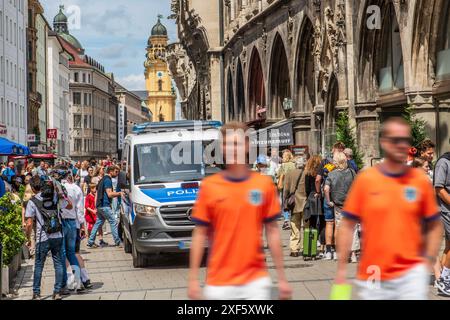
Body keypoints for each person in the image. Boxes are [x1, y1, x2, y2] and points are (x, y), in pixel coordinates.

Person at [335, 117, 443, 300]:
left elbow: (434, 225)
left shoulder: (419, 181)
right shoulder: (366, 180)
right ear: (383, 142)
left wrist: (427, 260)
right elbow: (347, 225)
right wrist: (341, 272)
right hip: (374, 271)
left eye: (405, 140)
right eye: (395, 140)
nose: (401, 145)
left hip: (411, 274)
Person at [188, 121, 292, 300]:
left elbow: (273, 232)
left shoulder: (263, 184)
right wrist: (193, 280)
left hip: (256, 281)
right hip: (219, 283)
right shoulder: (209, 187)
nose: (232, 149)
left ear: (246, 146)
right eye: (227, 144)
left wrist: (282, 278)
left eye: (236, 143)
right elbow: (199, 234)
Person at [25, 175, 73, 300]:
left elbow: (29, 223)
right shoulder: (54, 197)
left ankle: (36, 293)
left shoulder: (32, 201)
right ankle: (57, 292)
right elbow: (69, 206)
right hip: (57, 235)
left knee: (39, 264)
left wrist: (28, 238)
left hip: (43, 237)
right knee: (58, 263)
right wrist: (61, 194)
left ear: (32, 187)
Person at [324, 152, 357, 262]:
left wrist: (329, 201)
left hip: (338, 206)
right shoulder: (352, 172)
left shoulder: (331, 174)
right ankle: (353, 255)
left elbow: (326, 189)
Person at [316, 142, 345, 260]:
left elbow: (318, 179)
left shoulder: (325, 162)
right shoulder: (347, 163)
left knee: (329, 222)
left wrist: (318, 192)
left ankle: (328, 251)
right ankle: (337, 250)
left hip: (328, 197)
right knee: (339, 224)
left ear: (333, 149)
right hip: (343, 198)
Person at [87, 165, 123, 248]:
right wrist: (119, 193)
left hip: (99, 205)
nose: (117, 174)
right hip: (104, 205)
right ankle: (118, 241)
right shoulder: (107, 180)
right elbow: (109, 194)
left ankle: (90, 241)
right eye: (116, 171)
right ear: (111, 171)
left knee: (98, 223)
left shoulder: (102, 179)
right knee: (113, 222)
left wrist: (96, 206)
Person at [283, 157, 307, 257]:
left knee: (294, 227)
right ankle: (306, 248)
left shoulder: (289, 174)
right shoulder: (307, 173)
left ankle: (294, 249)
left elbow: (286, 190)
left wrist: (285, 202)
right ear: (304, 164)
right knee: (306, 227)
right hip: (305, 203)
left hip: (294, 204)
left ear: (295, 164)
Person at [434, 150, 450, 296]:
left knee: (449, 246)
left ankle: (443, 279)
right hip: (447, 210)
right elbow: (439, 188)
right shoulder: (443, 162)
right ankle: (444, 279)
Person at [304, 155, 325, 257]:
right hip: (320, 197)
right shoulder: (323, 172)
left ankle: (312, 244)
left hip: (311, 197)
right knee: (322, 222)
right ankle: (322, 246)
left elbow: (307, 189)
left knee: (312, 222)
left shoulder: (307, 173)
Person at [277, 150, 296, 230]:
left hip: (285, 186)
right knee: (292, 202)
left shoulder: (283, 165)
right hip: (294, 186)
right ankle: (293, 220)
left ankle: (286, 221)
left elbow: (279, 175)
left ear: (285, 157)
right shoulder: (294, 165)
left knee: (285, 203)